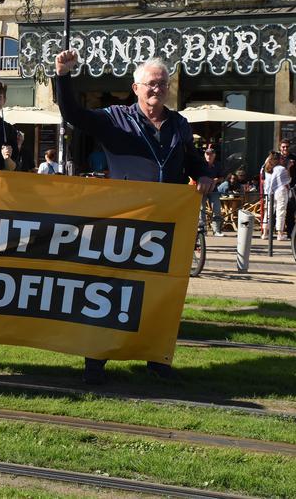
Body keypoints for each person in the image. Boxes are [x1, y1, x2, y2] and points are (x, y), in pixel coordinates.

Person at [55, 52, 213, 385]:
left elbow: (192, 159)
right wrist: (64, 76)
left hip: (165, 226)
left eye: (163, 84)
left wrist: (203, 173)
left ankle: (156, 360)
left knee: (159, 296)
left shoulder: (179, 124)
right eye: (151, 84)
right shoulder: (115, 118)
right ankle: (95, 361)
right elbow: (73, 114)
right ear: (136, 88)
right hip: (125, 225)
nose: (158, 89)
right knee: (110, 293)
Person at [262, 151, 290, 241]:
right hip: (281, 191)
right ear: (278, 159)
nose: (282, 160)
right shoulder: (281, 169)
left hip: (269, 192)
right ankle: (280, 234)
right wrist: (288, 167)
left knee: (268, 212)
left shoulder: (267, 168)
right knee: (281, 212)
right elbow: (288, 180)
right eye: (281, 158)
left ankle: (265, 233)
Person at [201, 147, 226, 236]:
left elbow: (222, 178)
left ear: (214, 155)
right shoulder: (201, 164)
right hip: (202, 189)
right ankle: (202, 230)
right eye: (207, 154)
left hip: (213, 189)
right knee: (202, 209)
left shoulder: (217, 165)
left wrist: (217, 180)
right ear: (205, 155)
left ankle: (216, 230)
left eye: (211, 154)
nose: (209, 156)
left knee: (217, 209)